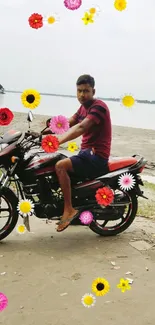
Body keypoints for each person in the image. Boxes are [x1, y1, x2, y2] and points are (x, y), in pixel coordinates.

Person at [33, 74, 112, 232]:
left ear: (93, 91)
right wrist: (42, 133)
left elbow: (81, 127)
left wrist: (58, 142)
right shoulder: (83, 107)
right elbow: (68, 123)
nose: (82, 94)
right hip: (86, 153)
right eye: (79, 91)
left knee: (60, 166)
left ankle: (68, 209)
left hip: (96, 156)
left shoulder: (98, 107)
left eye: (86, 91)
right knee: (51, 162)